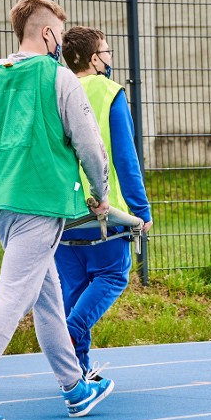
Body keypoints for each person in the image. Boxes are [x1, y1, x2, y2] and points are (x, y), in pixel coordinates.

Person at [0, 0, 114, 420]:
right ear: (49, 33)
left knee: (48, 295)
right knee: (15, 293)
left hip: (0, 204)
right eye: (61, 30)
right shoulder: (59, 77)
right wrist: (101, 193)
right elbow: (90, 145)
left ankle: (75, 388)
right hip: (41, 203)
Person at [55, 26, 153, 380]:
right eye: (107, 52)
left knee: (75, 287)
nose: (110, 58)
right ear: (94, 59)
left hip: (62, 210)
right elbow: (125, 159)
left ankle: (77, 372)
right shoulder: (110, 93)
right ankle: (69, 332)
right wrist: (141, 212)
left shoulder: (56, 90)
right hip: (102, 210)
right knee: (113, 275)